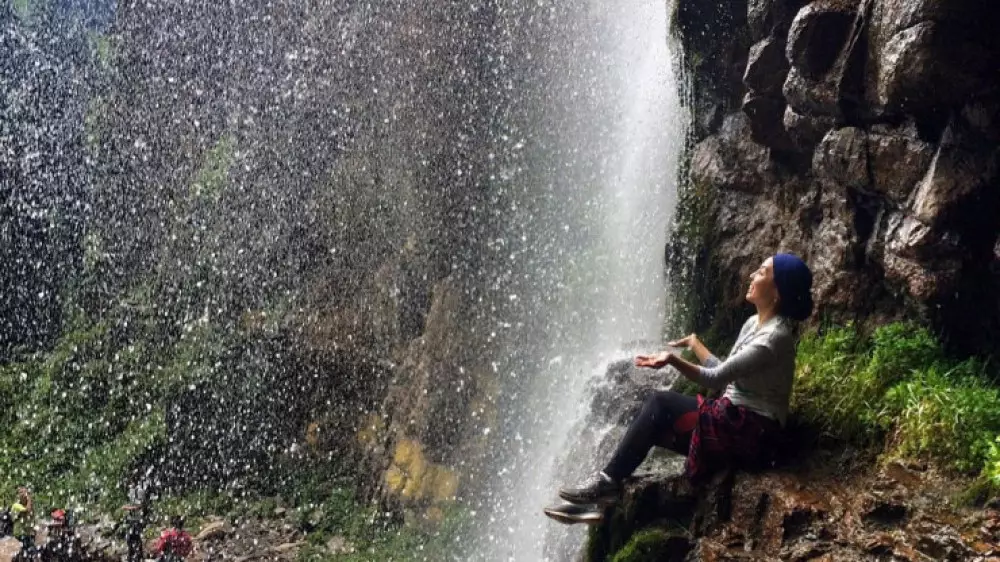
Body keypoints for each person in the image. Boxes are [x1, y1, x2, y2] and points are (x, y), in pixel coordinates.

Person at [549, 253, 813, 517]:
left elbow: (715, 378)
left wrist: (672, 360)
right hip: (732, 421)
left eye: (762, 272)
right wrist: (695, 344)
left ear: (777, 292)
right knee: (650, 422)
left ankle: (606, 486)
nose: (752, 275)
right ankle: (600, 502)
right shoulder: (753, 324)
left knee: (660, 403)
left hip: (753, 433)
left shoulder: (773, 338)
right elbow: (726, 371)